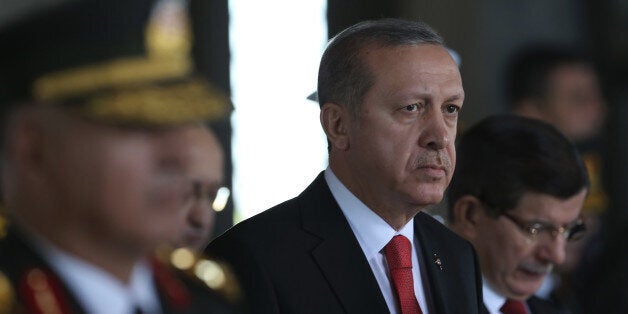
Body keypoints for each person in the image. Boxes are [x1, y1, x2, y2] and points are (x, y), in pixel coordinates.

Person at [207, 18, 483, 313]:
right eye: (411, 108)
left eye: (450, 109)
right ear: (338, 125)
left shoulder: (457, 254)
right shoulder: (251, 258)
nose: (440, 137)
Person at [0, 0, 240, 312]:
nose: (181, 154)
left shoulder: (207, 302)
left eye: (179, 120)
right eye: (136, 123)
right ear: (33, 149)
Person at [446, 114, 589, 314]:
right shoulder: (421, 303)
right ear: (470, 215)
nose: (557, 256)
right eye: (536, 229)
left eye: (568, 229)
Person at [506, 46, 608, 309]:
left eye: (596, 95)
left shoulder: (596, 163)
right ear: (531, 110)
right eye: (578, 98)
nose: (596, 107)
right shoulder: (505, 182)